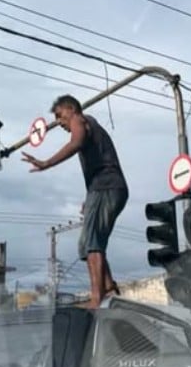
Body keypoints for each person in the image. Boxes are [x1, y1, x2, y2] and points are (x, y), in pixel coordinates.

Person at [22, 94, 128, 308]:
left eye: (60, 116)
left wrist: (46, 163)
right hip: (104, 188)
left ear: (71, 109)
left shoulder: (80, 119)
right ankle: (107, 287)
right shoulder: (91, 125)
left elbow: (76, 142)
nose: (60, 123)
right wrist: (90, 198)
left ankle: (97, 298)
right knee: (86, 244)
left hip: (106, 186)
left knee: (92, 243)